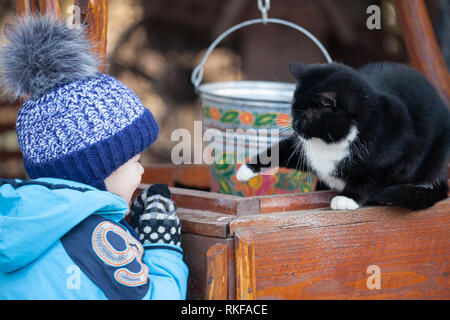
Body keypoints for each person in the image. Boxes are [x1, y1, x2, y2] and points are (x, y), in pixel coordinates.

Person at [0, 14, 188, 300]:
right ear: (98, 171)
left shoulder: (17, 221)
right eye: (134, 161)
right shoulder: (99, 242)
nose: (141, 172)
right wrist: (162, 250)